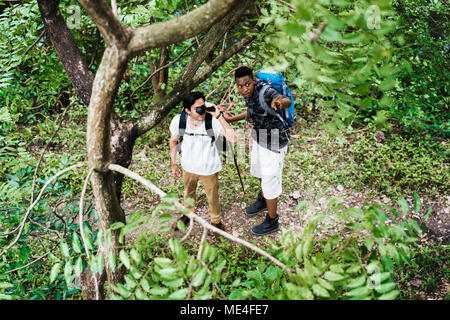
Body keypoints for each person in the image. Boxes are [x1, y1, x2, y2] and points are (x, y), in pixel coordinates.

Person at [224, 66, 292, 236]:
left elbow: (285, 101)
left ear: (253, 81)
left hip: (275, 141)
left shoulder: (266, 91)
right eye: (240, 86)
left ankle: (272, 220)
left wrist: (280, 102)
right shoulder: (249, 94)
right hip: (259, 137)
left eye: (247, 84)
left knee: (270, 180)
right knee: (259, 171)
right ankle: (263, 200)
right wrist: (231, 119)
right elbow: (251, 110)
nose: (244, 89)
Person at [169, 91, 238, 231]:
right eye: (197, 109)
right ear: (187, 110)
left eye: (203, 107)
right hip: (188, 166)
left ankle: (216, 221)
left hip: (209, 168)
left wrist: (218, 115)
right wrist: (173, 163)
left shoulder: (212, 120)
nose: (202, 112)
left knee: (213, 197)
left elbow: (234, 138)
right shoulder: (179, 120)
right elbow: (173, 141)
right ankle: (187, 215)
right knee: (188, 192)